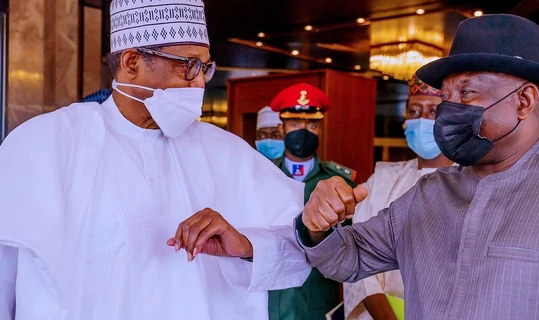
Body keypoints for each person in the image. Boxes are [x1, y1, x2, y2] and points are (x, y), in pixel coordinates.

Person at [295, 14, 539, 319]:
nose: (448, 110)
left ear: (525, 100)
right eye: (446, 97)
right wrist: (317, 223)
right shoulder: (430, 192)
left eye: (466, 93)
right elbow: (347, 257)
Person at [0, 1, 311, 319]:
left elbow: (300, 244)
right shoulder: (46, 146)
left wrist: (246, 244)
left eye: (205, 68)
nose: (200, 83)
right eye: (187, 65)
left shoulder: (228, 153)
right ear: (131, 62)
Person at [343, 75, 453, 320]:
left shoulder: (473, 180)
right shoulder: (382, 180)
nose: (421, 120)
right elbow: (359, 259)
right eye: (414, 111)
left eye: (433, 112)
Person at [268, 83, 357, 320]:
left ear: (321, 129)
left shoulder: (339, 181)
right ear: (281, 128)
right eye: (295, 124)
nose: (303, 131)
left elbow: (349, 244)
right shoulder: (262, 175)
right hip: (271, 294)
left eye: (311, 125)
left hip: (318, 295)